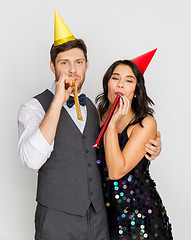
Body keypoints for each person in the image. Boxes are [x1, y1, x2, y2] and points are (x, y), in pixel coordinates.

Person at [17, 11, 162, 240]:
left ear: (87, 66)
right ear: (53, 67)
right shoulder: (33, 107)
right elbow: (32, 160)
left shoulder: (97, 113)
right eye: (64, 63)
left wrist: (151, 148)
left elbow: (119, 145)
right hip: (57, 220)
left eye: (79, 62)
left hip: (101, 218)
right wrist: (57, 101)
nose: (73, 70)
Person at [96, 50, 173, 240]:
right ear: (107, 84)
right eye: (115, 78)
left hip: (139, 216)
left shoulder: (144, 123)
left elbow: (115, 171)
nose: (121, 83)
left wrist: (112, 125)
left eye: (129, 80)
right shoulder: (95, 115)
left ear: (137, 91)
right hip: (103, 214)